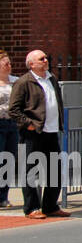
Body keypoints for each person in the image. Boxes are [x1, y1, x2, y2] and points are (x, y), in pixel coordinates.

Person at [8, 50, 69, 219]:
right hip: (34, 133)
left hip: (51, 131)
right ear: (31, 64)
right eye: (41, 59)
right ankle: (32, 208)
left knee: (54, 171)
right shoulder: (24, 82)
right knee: (31, 171)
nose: (45, 60)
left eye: (45, 58)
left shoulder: (51, 79)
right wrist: (28, 125)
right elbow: (13, 109)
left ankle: (50, 206)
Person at [0, 52, 14, 208]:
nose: (9, 66)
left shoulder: (15, 82)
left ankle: (3, 196)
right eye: (5, 63)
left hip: (11, 124)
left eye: (9, 63)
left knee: (8, 161)